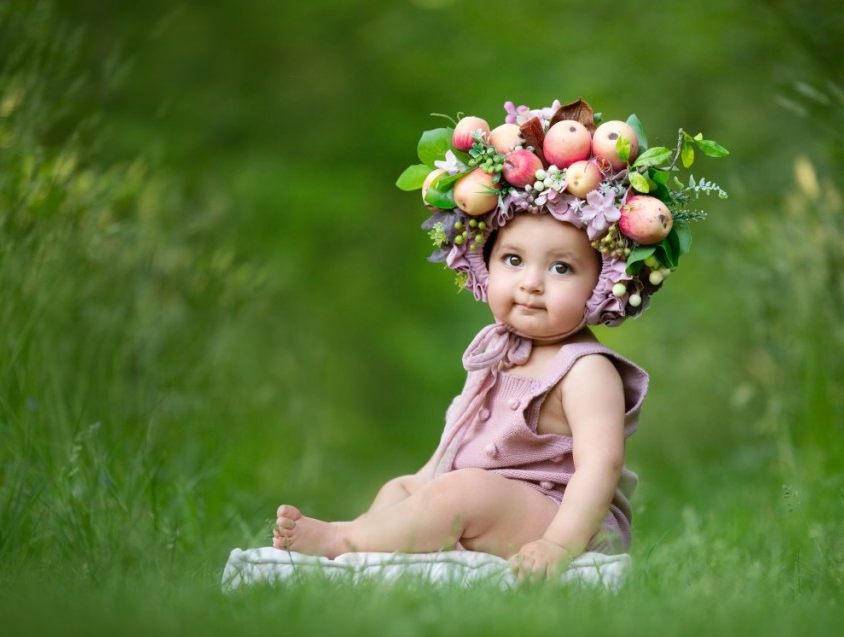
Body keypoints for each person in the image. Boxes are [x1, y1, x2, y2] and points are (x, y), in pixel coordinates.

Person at [272, 98, 727, 580]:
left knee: (462, 492)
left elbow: (601, 467)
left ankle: (345, 541)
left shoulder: (585, 369)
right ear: (484, 265)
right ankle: (362, 549)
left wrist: (558, 544)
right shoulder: (497, 352)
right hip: (487, 502)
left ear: (601, 282)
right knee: (402, 490)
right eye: (513, 260)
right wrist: (418, 487)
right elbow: (452, 448)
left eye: (560, 268)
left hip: (558, 517)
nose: (532, 282)